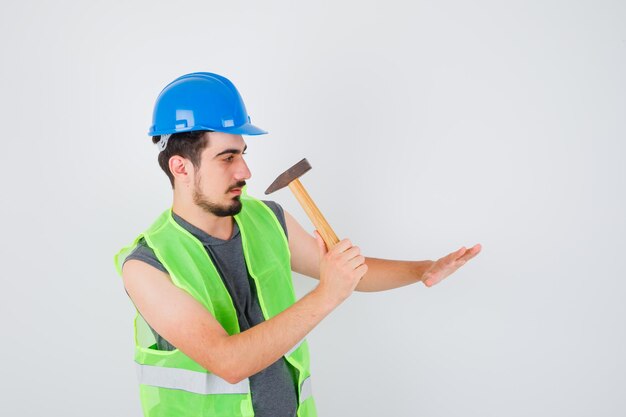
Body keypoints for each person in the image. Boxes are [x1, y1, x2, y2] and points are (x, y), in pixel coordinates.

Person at [114, 72, 482, 417]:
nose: (245, 171)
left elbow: (346, 271)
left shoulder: (265, 219)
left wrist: (422, 270)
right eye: (227, 157)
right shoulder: (148, 265)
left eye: (243, 154)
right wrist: (326, 295)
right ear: (181, 167)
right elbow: (228, 362)